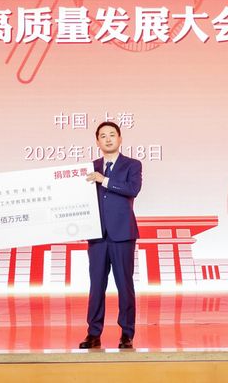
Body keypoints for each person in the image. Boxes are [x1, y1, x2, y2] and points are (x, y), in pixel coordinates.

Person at [80, 121, 142, 349]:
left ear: (120, 138)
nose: (108, 139)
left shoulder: (132, 165)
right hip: (97, 235)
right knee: (96, 285)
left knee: (124, 285)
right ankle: (93, 333)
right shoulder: (90, 167)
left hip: (122, 233)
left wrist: (103, 180)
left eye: (112, 135)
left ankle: (127, 333)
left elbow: (133, 189)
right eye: (103, 136)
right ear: (97, 141)